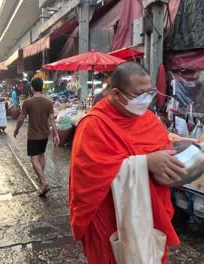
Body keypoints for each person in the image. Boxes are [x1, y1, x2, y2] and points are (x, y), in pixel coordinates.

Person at [69, 62, 187, 264]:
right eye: (138, 94)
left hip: (150, 214)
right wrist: (144, 163)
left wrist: (171, 166)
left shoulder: (148, 119)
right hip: (109, 218)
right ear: (115, 94)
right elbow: (87, 177)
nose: (145, 100)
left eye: (149, 92)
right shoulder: (93, 125)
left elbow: (164, 152)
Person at [14, 77, 60, 196]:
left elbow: (21, 118)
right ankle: (41, 180)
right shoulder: (48, 102)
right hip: (45, 135)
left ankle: (43, 181)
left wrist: (16, 130)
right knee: (41, 155)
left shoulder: (28, 102)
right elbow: (52, 120)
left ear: (32, 88)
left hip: (33, 136)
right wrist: (56, 134)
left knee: (34, 158)